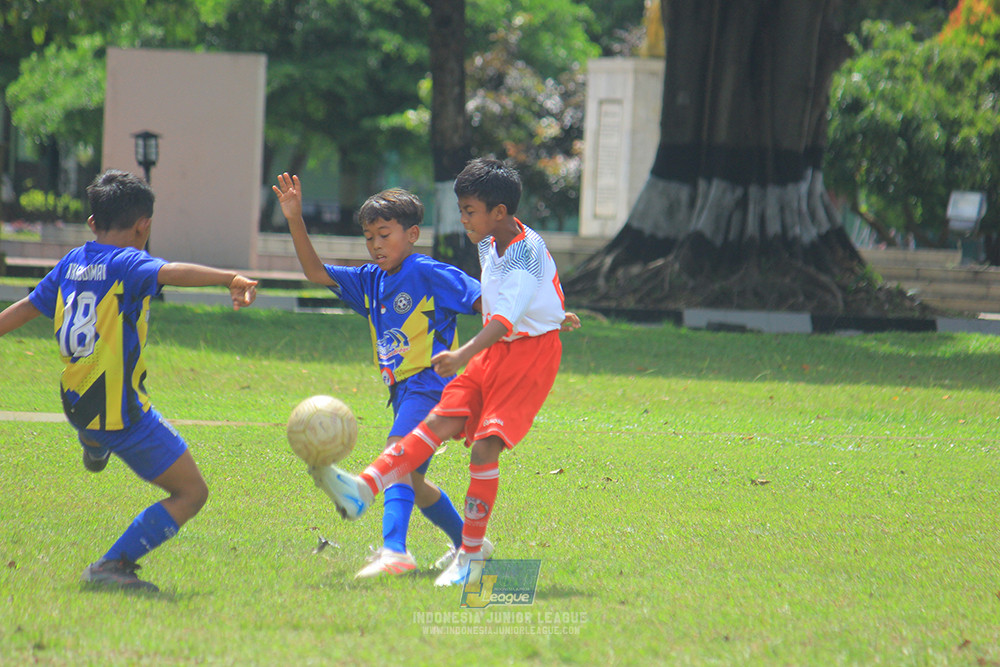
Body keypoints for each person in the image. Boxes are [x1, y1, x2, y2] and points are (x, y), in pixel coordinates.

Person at [310, 157, 578, 586]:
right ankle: (363, 489)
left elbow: (505, 319)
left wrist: (463, 354)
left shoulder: (526, 252)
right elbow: (498, 300)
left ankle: (470, 556)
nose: (462, 219)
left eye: (469, 210)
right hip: (498, 349)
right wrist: (550, 309)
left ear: (499, 212)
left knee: (485, 448)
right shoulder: (491, 242)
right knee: (437, 423)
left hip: (525, 355)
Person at [0, 169, 258, 592]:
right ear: (144, 226)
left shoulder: (73, 262)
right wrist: (229, 277)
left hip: (74, 397)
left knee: (95, 424)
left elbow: (28, 306)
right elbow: (171, 271)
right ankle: (110, 565)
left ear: (92, 224)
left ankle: (93, 441)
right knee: (192, 493)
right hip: (117, 411)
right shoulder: (127, 263)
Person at [272, 174, 485, 578]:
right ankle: (470, 545)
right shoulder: (370, 280)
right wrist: (295, 218)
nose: (375, 245)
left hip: (432, 382)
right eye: (368, 237)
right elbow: (316, 273)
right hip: (402, 391)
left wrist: (540, 316)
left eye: (384, 235)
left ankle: (395, 552)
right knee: (415, 483)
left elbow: (483, 299)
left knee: (398, 457)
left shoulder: (428, 271)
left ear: (412, 234)